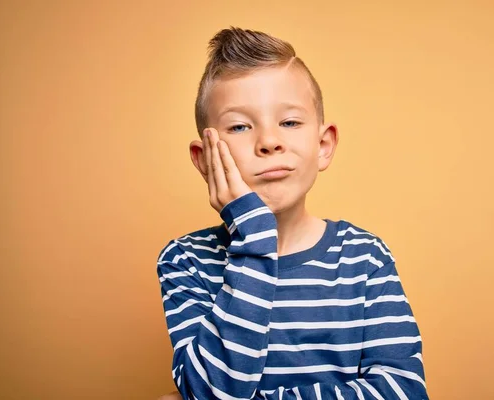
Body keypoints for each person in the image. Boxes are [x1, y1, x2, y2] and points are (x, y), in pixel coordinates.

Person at [156, 26, 429, 400]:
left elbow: (403, 391)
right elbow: (210, 390)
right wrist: (253, 234)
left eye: (289, 122)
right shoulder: (185, 260)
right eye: (239, 126)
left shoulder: (366, 257)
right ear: (205, 161)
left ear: (323, 145)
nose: (269, 142)